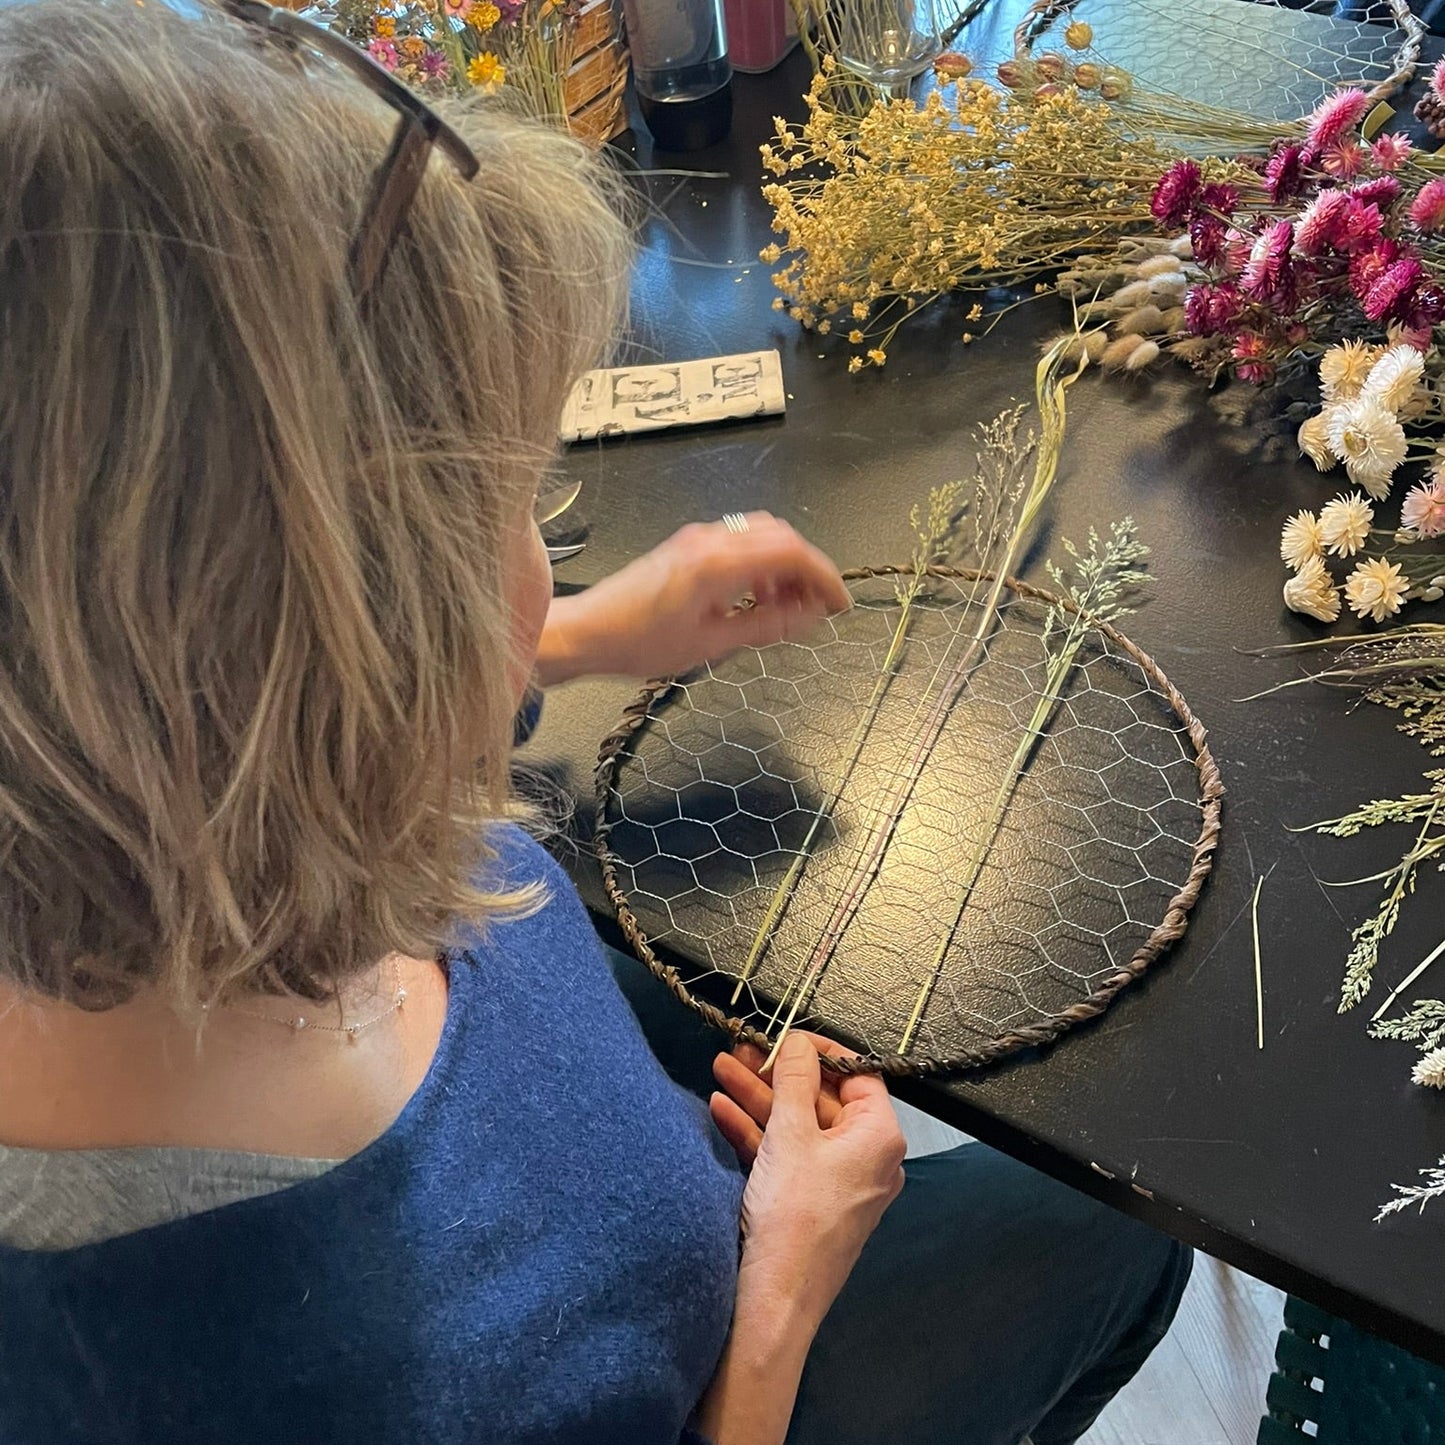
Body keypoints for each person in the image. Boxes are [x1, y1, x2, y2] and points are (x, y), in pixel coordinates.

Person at [0, 2, 1190, 1441]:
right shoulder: (305, 1373)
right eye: (505, 510)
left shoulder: (125, 804)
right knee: (1117, 1222)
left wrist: (574, 638)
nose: (535, 556)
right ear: (318, 646)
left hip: (636, 1169)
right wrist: (778, 1302)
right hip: (723, 1348)